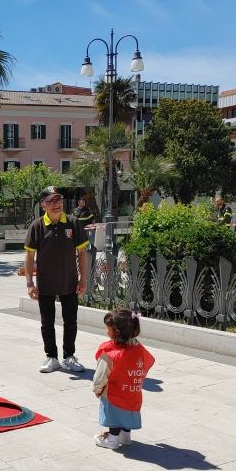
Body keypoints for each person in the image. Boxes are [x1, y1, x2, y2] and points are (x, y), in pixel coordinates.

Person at [24, 186, 89, 373]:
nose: (56, 204)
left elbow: (82, 253)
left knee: (71, 321)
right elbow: (29, 257)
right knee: (47, 323)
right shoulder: (36, 226)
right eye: (51, 201)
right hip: (45, 284)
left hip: (69, 282)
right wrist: (29, 283)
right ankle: (51, 357)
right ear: (43, 205)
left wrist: (83, 280)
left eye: (58, 200)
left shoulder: (73, 223)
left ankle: (69, 357)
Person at [92, 309, 155, 450]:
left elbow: (100, 375)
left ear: (117, 332)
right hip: (133, 392)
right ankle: (125, 436)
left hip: (114, 392)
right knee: (127, 412)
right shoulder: (139, 349)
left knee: (114, 414)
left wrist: (97, 389)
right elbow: (144, 366)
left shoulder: (111, 354)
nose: (106, 331)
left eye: (108, 329)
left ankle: (113, 439)